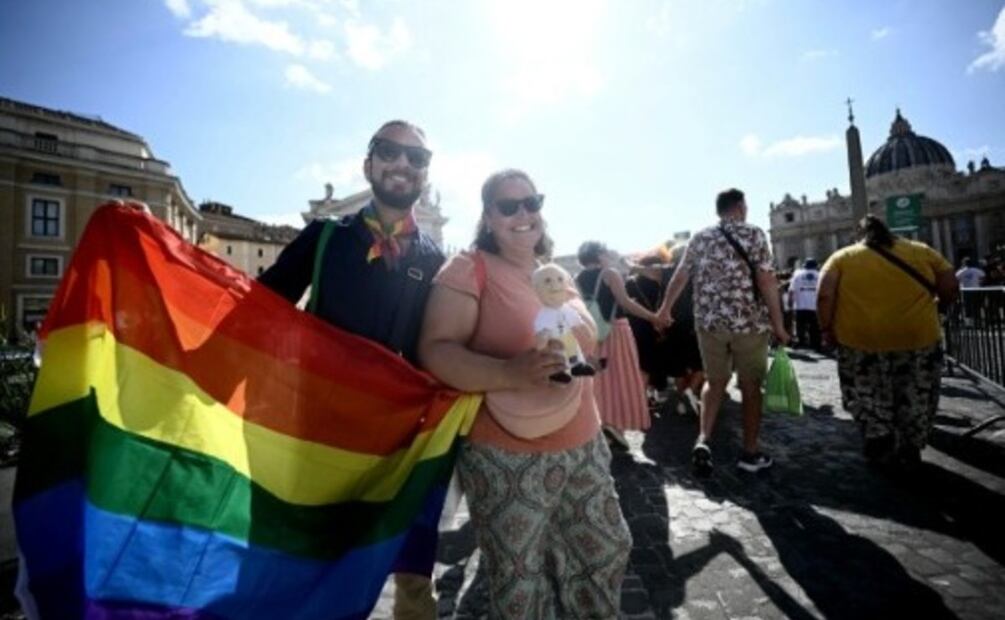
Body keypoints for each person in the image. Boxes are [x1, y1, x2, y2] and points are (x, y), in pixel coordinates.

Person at [418, 169, 632, 618]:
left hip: (584, 444)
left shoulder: (553, 273)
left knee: (607, 550)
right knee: (519, 583)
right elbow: (435, 350)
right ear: (488, 217)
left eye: (531, 203)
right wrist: (510, 372)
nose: (523, 214)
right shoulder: (468, 268)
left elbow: (584, 338)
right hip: (506, 454)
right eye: (508, 205)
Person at [258, 120, 443, 620]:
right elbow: (256, 306)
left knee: (413, 574)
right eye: (389, 151)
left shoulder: (432, 256)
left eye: (416, 157)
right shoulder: (324, 236)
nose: (402, 163)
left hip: (398, 438)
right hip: (319, 438)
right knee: (310, 564)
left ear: (425, 174)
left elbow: (435, 347)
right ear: (369, 164)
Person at [658, 189, 790, 475]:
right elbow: (766, 281)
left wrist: (665, 309)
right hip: (748, 324)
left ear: (719, 211)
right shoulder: (754, 234)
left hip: (709, 323)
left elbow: (680, 275)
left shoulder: (701, 237)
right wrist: (779, 325)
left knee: (714, 381)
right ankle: (750, 452)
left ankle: (703, 439)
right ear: (741, 207)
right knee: (751, 386)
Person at [817, 215, 958, 472]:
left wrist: (826, 329)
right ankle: (910, 445)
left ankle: (878, 437)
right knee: (916, 391)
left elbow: (825, 295)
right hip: (918, 338)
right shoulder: (921, 251)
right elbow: (949, 283)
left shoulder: (842, 258)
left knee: (866, 391)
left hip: (860, 341)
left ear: (860, 235)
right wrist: (942, 307)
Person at [576, 241, 668, 448]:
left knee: (600, 381)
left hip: (592, 333)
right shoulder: (610, 273)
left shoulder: (577, 278)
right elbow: (626, 303)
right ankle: (616, 426)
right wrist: (653, 317)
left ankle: (602, 422)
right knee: (623, 378)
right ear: (599, 255)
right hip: (616, 330)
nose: (610, 254)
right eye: (606, 251)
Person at [789, 258, 821, 350]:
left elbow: (791, 291)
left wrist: (790, 303)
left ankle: (801, 342)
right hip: (815, 307)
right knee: (815, 326)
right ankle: (815, 344)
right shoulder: (820, 275)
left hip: (800, 306)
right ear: (816, 266)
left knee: (800, 325)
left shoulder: (797, 275)